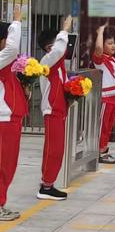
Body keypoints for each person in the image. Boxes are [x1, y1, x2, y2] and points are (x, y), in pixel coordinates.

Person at [36, 15, 73, 200]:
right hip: (52, 110)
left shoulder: (57, 63)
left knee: (55, 149)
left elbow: (63, 82)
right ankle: (46, 187)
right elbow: (59, 50)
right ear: (48, 48)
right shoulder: (47, 61)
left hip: (59, 109)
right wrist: (65, 29)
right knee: (54, 149)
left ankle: (47, 183)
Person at [0, 5, 28, 220]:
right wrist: (16, 21)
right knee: (3, 165)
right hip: (4, 120)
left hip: (10, 119)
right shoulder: (3, 57)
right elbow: (12, 49)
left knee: (9, 165)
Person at [93, 23, 115, 164]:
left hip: (114, 99)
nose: (113, 46)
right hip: (106, 99)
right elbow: (98, 48)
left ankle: (104, 151)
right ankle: (98, 152)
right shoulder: (100, 59)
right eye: (109, 43)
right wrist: (101, 31)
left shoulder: (113, 59)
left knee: (108, 127)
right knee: (102, 126)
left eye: (113, 43)